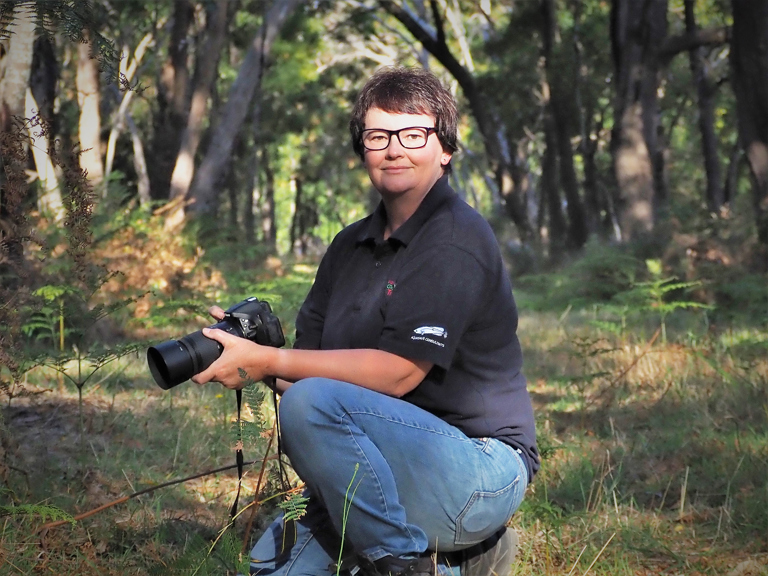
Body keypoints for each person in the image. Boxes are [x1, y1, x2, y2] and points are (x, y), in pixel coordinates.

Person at [192, 67, 539, 576]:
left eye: (413, 133)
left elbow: (398, 373)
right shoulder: (349, 246)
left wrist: (273, 361)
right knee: (269, 570)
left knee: (314, 401)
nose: (394, 148)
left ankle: (409, 560)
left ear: (444, 148)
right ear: (363, 150)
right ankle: (449, 557)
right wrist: (256, 358)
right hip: (382, 465)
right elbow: (304, 379)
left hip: (478, 469)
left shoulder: (456, 239)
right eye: (378, 136)